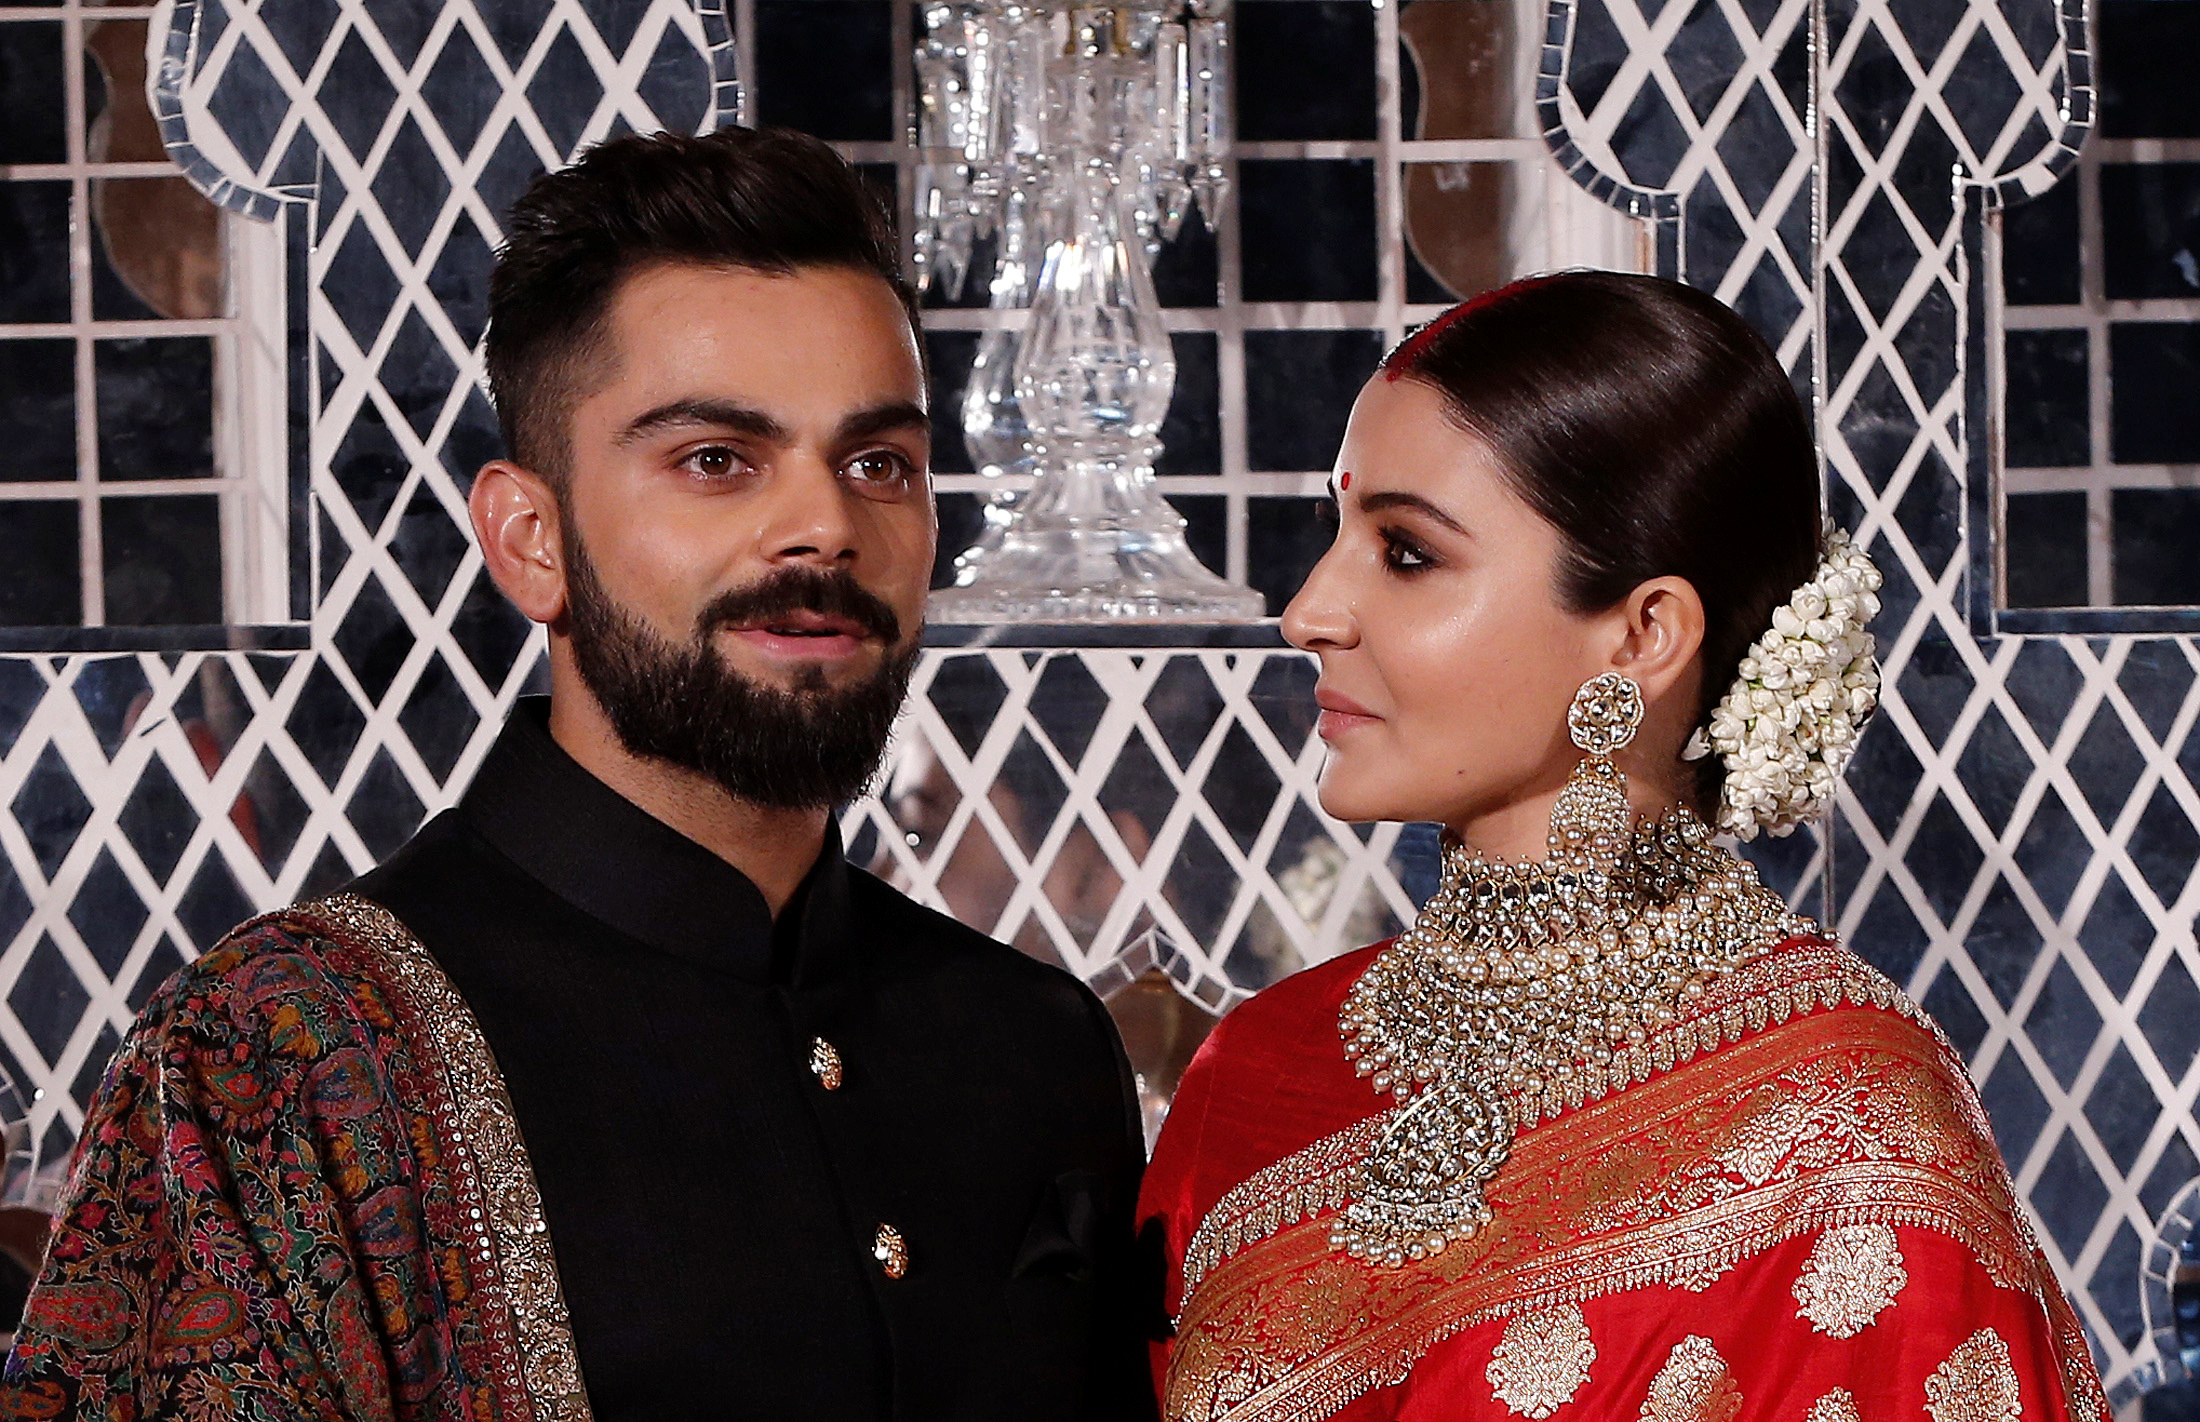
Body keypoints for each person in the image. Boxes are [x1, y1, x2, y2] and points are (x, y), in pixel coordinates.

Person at [3, 128, 1152, 1421]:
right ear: (530, 538)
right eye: (717, 459)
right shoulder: (280, 1056)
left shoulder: (1034, 1043)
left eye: (878, 461)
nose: (826, 523)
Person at [1137, 272, 2111, 1422]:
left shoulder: (1847, 1127)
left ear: (1642, 634)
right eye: (1332, 535)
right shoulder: (1257, 1069)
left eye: (1403, 553)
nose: (1308, 610)